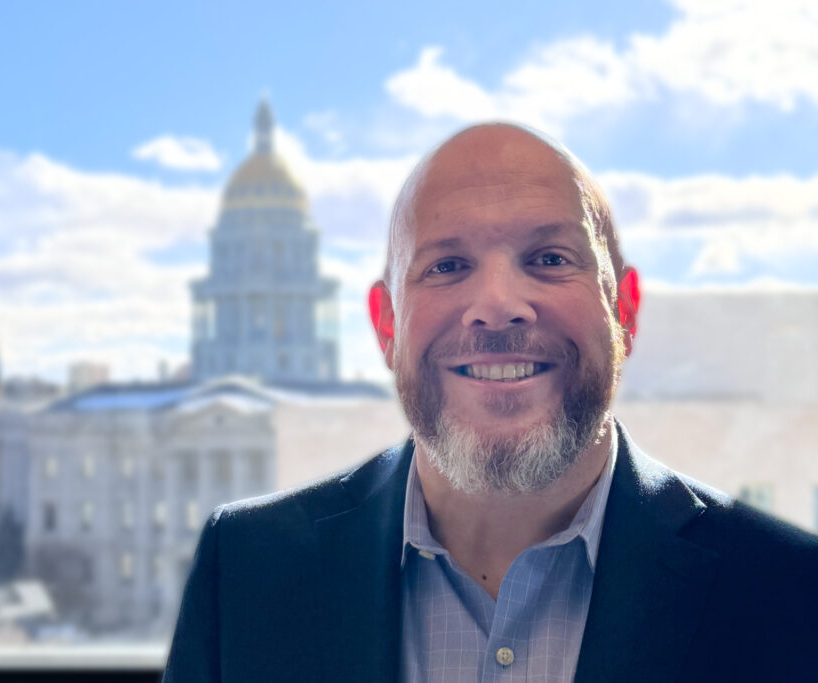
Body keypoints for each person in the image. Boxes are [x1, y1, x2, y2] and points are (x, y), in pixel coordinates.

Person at [162, 123, 818, 682]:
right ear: (386, 325)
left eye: (550, 257)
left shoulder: (791, 591)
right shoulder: (244, 571)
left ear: (624, 309)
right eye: (447, 266)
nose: (499, 305)